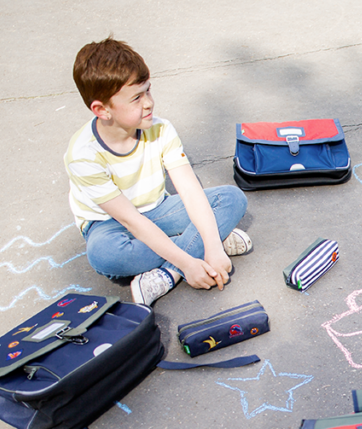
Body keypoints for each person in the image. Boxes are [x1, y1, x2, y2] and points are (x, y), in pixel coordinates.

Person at [65, 37, 252, 306]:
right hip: (110, 225)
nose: (149, 103)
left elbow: (190, 190)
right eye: (137, 98)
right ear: (102, 109)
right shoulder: (83, 155)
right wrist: (190, 262)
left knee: (232, 199)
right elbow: (132, 221)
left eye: (148, 91)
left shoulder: (160, 129)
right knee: (104, 256)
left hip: (158, 209)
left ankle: (169, 274)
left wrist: (211, 247)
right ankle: (198, 240)